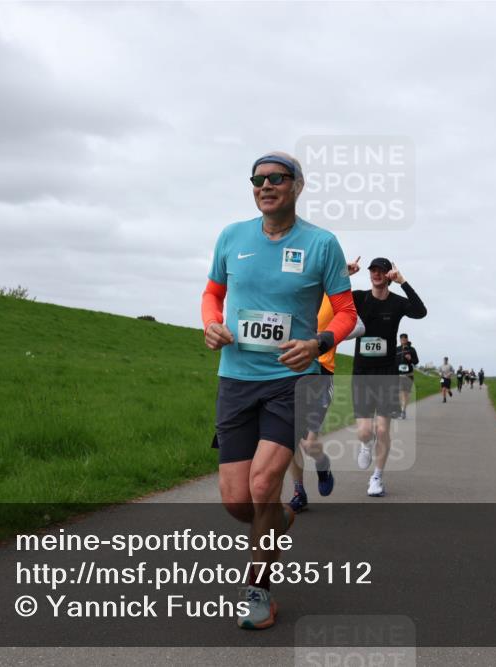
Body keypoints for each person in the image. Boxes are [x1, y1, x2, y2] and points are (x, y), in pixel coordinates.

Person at [202, 151, 358, 630]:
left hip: (293, 380)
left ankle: (259, 591)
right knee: (238, 502)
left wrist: (318, 342)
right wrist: (211, 324)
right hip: (236, 378)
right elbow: (213, 293)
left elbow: (347, 312)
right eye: (258, 179)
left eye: (277, 178)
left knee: (263, 484)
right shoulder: (232, 236)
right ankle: (279, 520)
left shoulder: (322, 244)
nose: (265, 185)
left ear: (297, 186)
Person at [288, 258, 366, 513]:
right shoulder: (295, 293)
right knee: (289, 439)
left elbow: (359, 326)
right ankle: (299, 491)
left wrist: (329, 339)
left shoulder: (334, 298)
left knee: (309, 443)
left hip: (321, 373)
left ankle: (322, 465)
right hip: (291, 371)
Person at [352, 258, 427, 497]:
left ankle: (377, 477)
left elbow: (420, 311)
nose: (376, 274)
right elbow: (331, 299)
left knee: (383, 429)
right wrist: (345, 275)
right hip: (362, 373)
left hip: (386, 373)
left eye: (381, 271)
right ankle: (365, 444)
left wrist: (403, 282)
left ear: (388, 276)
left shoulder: (397, 303)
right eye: (373, 270)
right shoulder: (359, 298)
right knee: (365, 431)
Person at [395, 333, 419, 419]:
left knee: (405, 393)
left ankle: (403, 410)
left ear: (407, 339)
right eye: (401, 339)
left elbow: (416, 361)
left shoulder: (411, 349)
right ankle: (401, 409)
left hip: (408, 374)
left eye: (404, 338)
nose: (403, 340)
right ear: (400, 340)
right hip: (399, 374)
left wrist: (410, 358)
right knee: (400, 393)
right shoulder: (397, 349)